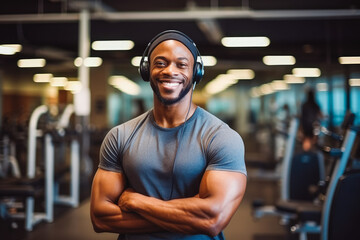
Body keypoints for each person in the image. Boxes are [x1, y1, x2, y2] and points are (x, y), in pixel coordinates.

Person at [90, 30, 247, 240]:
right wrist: (186, 219)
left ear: (196, 72)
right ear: (147, 70)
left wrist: (137, 202)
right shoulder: (119, 136)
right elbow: (101, 217)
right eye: (160, 63)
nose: (169, 71)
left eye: (181, 64)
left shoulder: (221, 137)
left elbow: (212, 219)